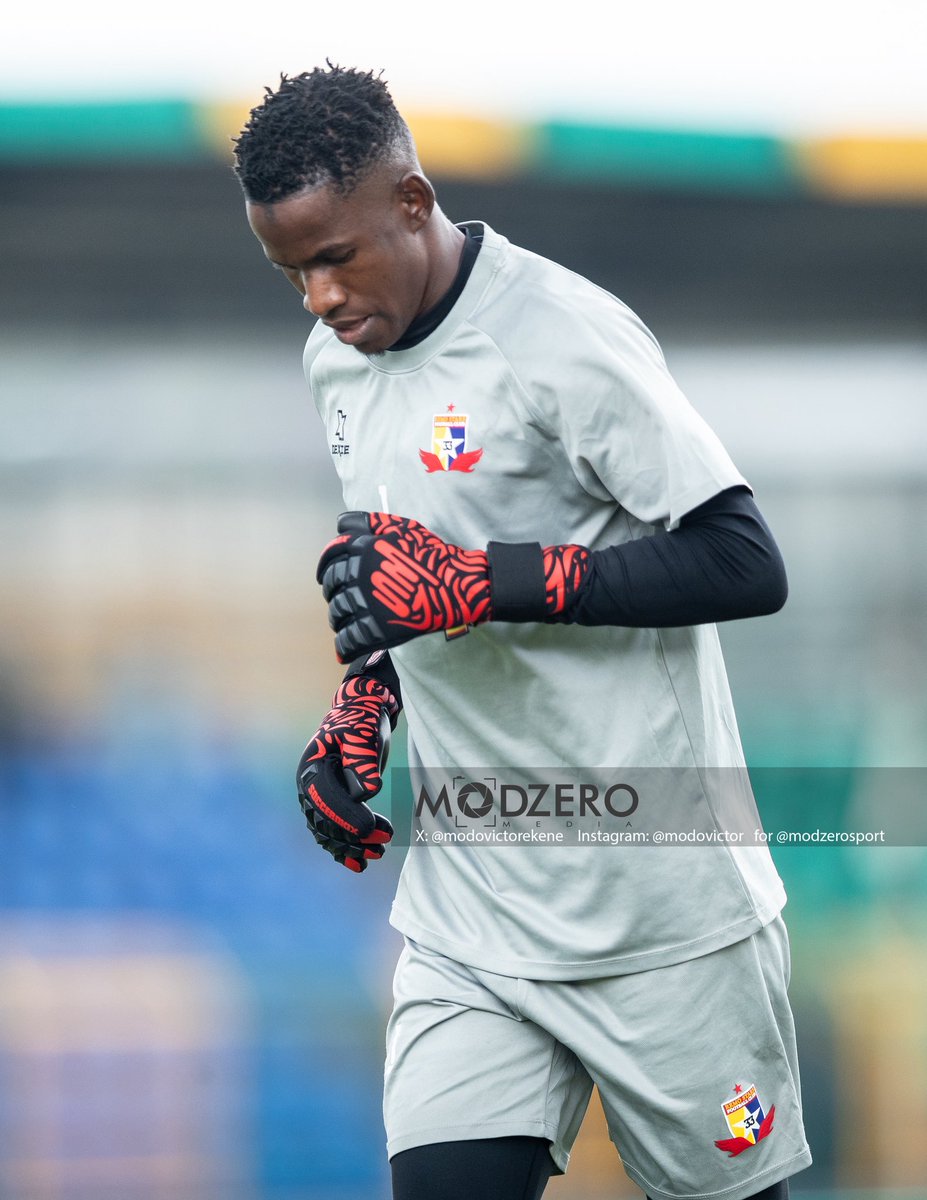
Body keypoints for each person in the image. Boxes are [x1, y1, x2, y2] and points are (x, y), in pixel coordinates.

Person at [234, 64, 811, 1200]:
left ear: (412, 202)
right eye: (289, 269)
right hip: (473, 920)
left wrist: (493, 582)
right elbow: (406, 574)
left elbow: (746, 560)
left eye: (334, 256)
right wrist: (366, 700)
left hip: (664, 919)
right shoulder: (336, 363)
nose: (317, 297)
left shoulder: (563, 337)